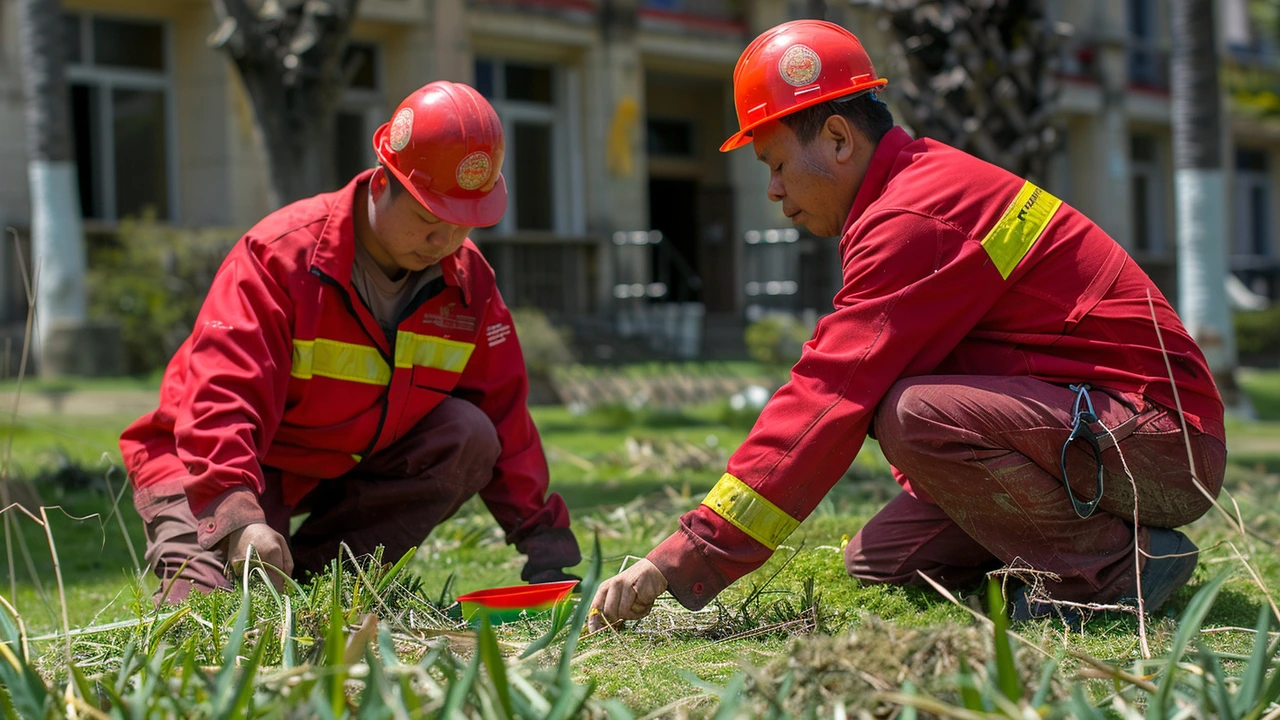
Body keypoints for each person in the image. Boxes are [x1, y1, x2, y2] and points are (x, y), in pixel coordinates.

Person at [589, 19, 1226, 630]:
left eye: (776, 164)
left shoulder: (916, 216)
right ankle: (1072, 553)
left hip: (1164, 444)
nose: (774, 191)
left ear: (838, 139)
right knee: (881, 561)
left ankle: (1116, 571)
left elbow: (827, 396)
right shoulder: (909, 193)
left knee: (912, 414)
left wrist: (682, 555)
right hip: (1102, 428)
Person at [122, 81, 581, 603]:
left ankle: (321, 589)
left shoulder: (468, 282)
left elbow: (503, 416)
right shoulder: (280, 257)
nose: (444, 243)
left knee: (468, 433)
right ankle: (228, 580)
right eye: (430, 219)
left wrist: (542, 538)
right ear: (383, 184)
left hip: (337, 469)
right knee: (208, 620)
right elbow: (220, 402)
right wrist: (236, 518)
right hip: (207, 465)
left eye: (463, 226)